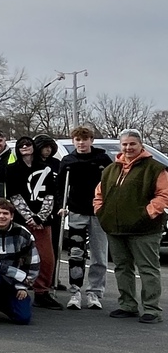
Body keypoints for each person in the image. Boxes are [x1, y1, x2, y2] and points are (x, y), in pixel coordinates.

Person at [94, 129, 168, 324]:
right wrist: (101, 212)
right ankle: (127, 304)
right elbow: (99, 194)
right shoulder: (110, 169)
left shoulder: (155, 168)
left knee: (148, 269)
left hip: (145, 229)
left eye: (132, 144)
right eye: (125, 144)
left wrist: (147, 214)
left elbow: (163, 195)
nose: (128, 148)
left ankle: (152, 309)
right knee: (122, 267)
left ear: (141, 145)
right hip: (115, 228)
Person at [58, 126, 112, 310]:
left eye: (85, 139)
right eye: (78, 140)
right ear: (74, 141)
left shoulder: (102, 159)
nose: (81, 143)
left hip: (98, 212)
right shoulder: (68, 160)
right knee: (76, 253)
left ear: (91, 140)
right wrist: (61, 206)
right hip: (76, 211)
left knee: (99, 254)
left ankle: (95, 292)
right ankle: (75, 291)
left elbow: (110, 184)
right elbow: (60, 187)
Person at [4, 136, 61, 310]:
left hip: (43, 221)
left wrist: (40, 217)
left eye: (28, 144)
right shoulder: (12, 169)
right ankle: (16, 290)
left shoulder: (46, 168)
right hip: (21, 221)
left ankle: (42, 292)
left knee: (47, 258)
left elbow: (51, 194)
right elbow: (14, 195)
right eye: (21, 145)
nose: (25, 147)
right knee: (19, 257)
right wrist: (29, 216)